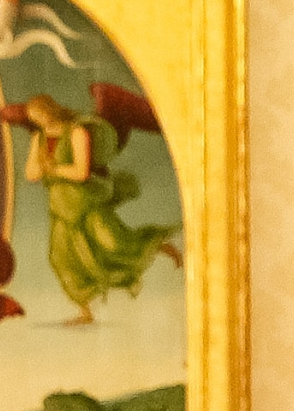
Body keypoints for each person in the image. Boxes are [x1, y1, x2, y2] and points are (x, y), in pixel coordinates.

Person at [13, 93, 181, 323]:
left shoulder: (77, 132)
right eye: (34, 118)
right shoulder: (38, 139)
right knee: (61, 258)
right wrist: (44, 167)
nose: (39, 121)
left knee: (113, 243)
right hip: (60, 206)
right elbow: (31, 174)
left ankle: (158, 245)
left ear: (51, 109)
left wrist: (53, 169)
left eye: (40, 115)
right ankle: (85, 311)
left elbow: (81, 172)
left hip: (86, 202)